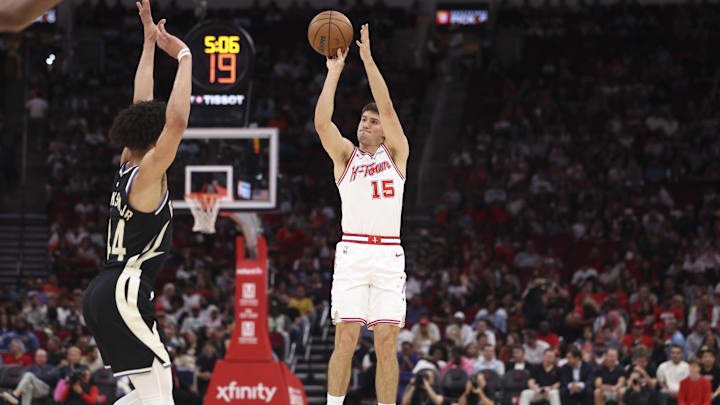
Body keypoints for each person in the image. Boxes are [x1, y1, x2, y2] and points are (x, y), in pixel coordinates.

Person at [81, 1, 192, 404]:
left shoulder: (127, 162)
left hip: (105, 289)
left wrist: (148, 45)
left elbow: (139, 102)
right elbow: (176, 121)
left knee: (154, 397)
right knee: (160, 399)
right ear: (155, 137)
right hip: (124, 288)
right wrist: (183, 56)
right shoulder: (147, 173)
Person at [315, 23, 410, 405]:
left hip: (388, 255)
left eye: (373, 123)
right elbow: (322, 123)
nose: (365, 125)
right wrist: (334, 73)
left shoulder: (397, 154)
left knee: (387, 344)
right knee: (347, 337)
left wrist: (368, 60)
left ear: (384, 132)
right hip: (353, 252)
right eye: (363, 120)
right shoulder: (345, 157)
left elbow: (386, 107)